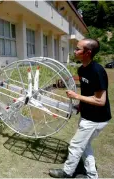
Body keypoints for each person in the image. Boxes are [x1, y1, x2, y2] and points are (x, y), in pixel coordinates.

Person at [49, 39, 111, 178]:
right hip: (87, 114)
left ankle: (67, 172)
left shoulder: (97, 71)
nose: (74, 51)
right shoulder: (82, 69)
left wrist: (76, 96)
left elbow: (100, 101)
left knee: (76, 145)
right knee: (85, 145)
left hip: (96, 118)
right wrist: (81, 104)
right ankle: (91, 175)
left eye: (78, 49)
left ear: (88, 53)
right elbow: (87, 92)